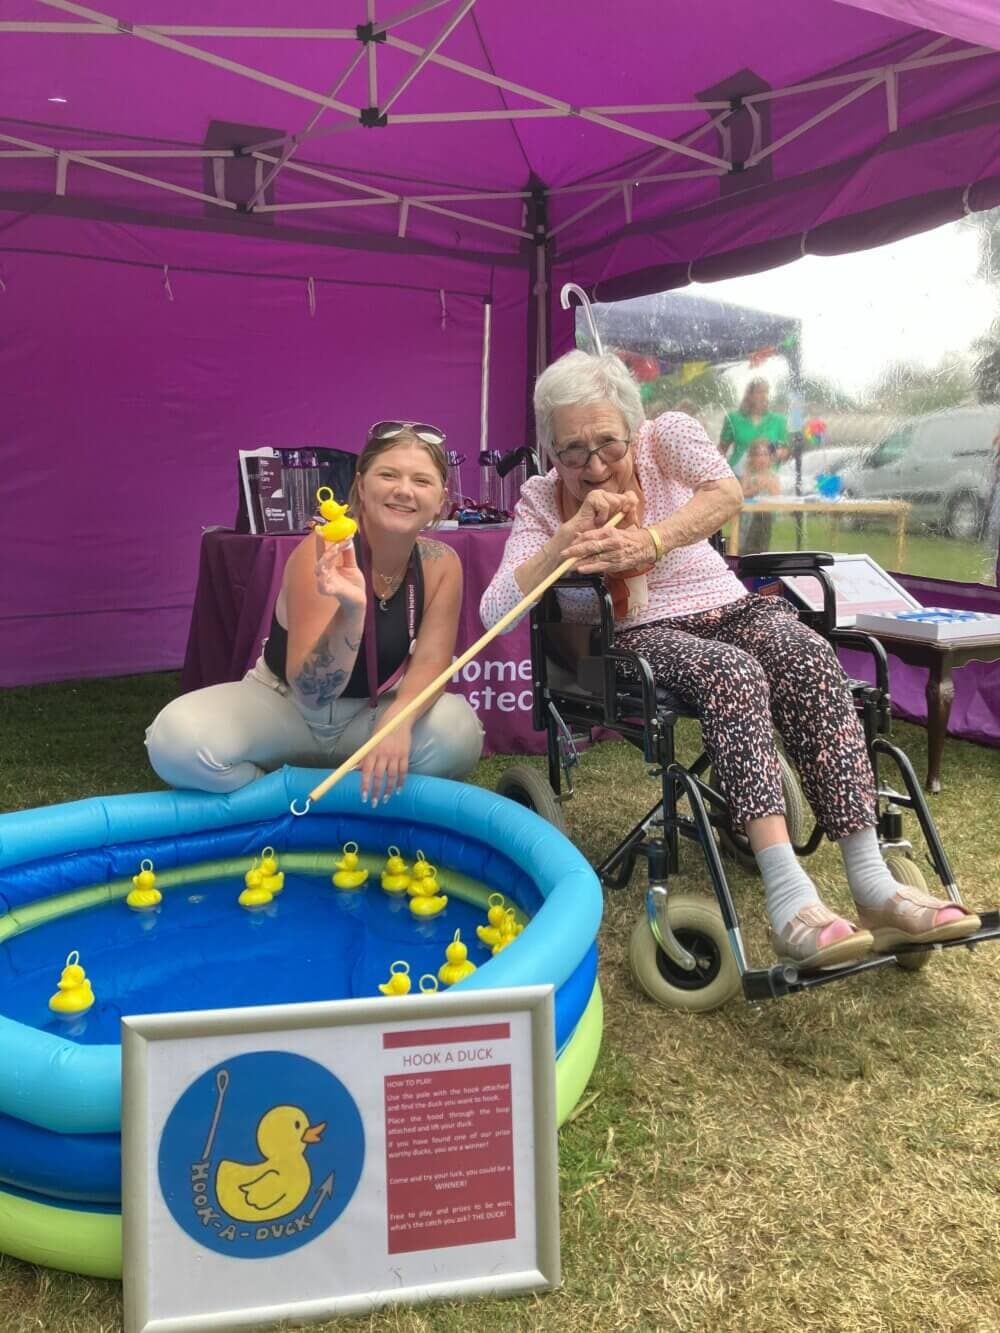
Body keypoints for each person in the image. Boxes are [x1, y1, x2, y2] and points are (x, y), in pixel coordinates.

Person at [481, 350, 980, 968]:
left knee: (805, 652)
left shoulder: (665, 439)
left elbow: (726, 492)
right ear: (549, 450)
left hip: (728, 606)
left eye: (608, 443)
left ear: (633, 427)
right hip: (639, 632)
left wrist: (651, 540)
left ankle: (872, 880)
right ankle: (789, 897)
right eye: (572, 452)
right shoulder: (541, 498)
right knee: (731, 672)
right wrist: (563, 540)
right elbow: (495, 609)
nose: (594, 465)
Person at [147, 422, 484, 805]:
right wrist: (351, 614)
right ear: (361, 486)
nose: (404, 490)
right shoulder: (324, 550)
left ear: (441, 500)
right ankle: (284, 796)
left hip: (370, 714)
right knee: (175, 741)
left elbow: (431, 662)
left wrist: (398, 721)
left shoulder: (441, 563)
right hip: (284, 708)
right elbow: (311, 694)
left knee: (460, 733)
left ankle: (310, 791)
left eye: (421, 481)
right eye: (388, 475)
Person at [720, 377, 788, 475]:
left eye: (766, 392)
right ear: (749, 396)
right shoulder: (733, 418)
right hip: (737, 477)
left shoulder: (779, 420)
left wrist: (780, 452)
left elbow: (785, 451)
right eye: (759, 392)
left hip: (767, 478)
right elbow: (722, 449)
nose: (764, 396)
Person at [739, 437, 780, 555]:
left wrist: (769, 486)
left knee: (762, 545)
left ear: (770, 458)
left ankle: (761, 554)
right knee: (746, 544)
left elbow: (777, 496)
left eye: (765, 455)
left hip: (765, 516)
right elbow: (741, 494)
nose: (762, 459)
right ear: (751, 458)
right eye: (758, 455)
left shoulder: (772, 476)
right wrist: (756, 489)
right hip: (749, 516)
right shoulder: (748, 475)